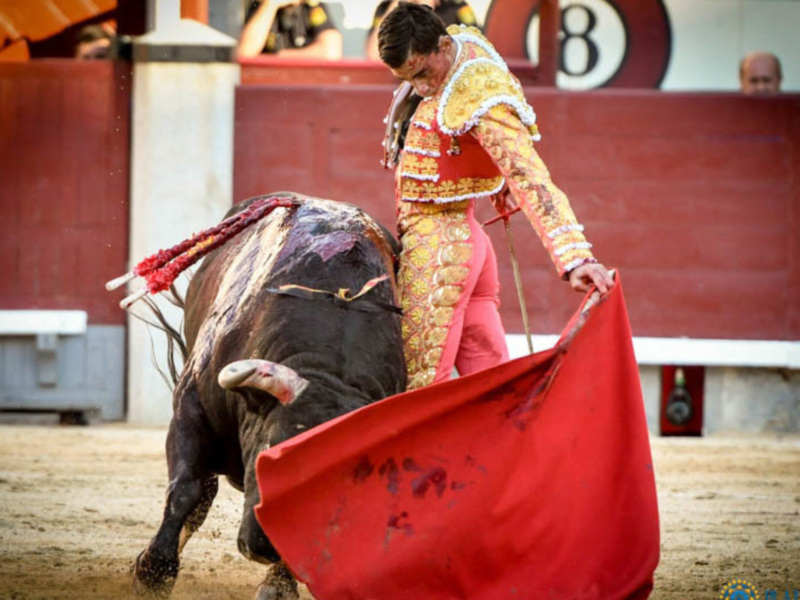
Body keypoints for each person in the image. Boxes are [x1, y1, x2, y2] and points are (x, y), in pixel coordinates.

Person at [377, 3, 614, 390]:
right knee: (493, 387)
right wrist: (493, 177)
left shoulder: (479, 92)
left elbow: (529, 176)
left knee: (418, 386)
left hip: (439, 248)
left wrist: (574, 258)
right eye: (407, 78)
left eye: (422, 72)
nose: (420, 88)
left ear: (442, 45)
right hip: (468, 244)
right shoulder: (461, 48)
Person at [365, 0, 478, 61]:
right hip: (398, 85)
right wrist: (398, 6)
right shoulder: (385, 8)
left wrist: (426, 10)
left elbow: (477, 49)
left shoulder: (456, 8)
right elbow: (374, 55)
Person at [238, 0, 343, 59]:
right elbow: (244, 52)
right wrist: (271, 5)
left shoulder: (311, 6)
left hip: (304, 84)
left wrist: (280, 56)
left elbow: (331, 52)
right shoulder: (261, 7)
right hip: (269, 86)